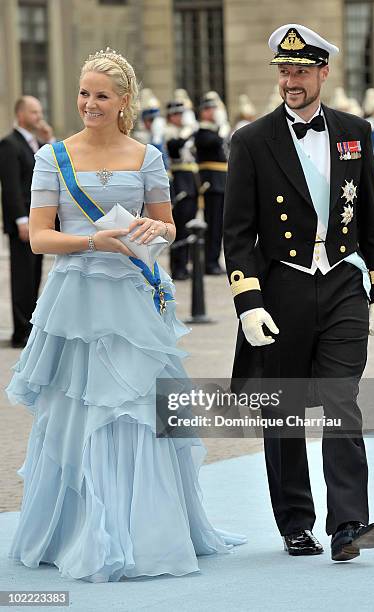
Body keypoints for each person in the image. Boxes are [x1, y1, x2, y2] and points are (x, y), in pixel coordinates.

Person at [6, 47, 245, 583]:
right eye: (84, 93)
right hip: (76, 301)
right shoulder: (53, 156)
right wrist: (96, 239)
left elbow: (168, 226)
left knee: (137, 406)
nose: (89, 103)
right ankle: (78, 529)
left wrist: (148, 232)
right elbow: (40, 235)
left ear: (123, 102)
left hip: (134, 300)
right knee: (78, 409)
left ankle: (146, 530)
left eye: (101, 95)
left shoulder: (148, 157)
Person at [223, 24, 374, 562]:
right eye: (283, 70)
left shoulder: (354, 131)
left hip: (343, 280)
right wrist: (248, 302)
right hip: (283, 287)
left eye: (300, 70)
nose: (290, 80)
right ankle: (296, 522)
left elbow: (370, 211)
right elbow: (237, 233)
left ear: (323, 72)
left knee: (342, 400)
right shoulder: (251, 140)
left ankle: (349, 524)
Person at [0, 96, 44, 348]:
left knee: (35, 275)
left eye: (39, 111)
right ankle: (20, 332)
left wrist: (47, 139)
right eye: (34, 112)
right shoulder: (9, 144)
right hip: (23, 224)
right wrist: (20, 219)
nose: (39, 116)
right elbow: (11, 188)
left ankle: (30, 326)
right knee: (22, 277)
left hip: (37, 222)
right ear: (21, 114)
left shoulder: (35, 143)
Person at [194, 94, 228, 275]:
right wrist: (221, 128)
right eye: (211, 109)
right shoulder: (202, 131)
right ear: (204, 112)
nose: (214, 113)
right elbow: (210, 143)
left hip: (220, 183)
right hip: (211, 183)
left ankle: (214, 260)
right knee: (212, 225)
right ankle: (209, 262)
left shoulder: (212, 131)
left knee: (218, 225)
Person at [165, 100, 198, 280]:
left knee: (190, 226)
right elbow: (174, 147)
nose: (179, 118)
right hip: (179, 181)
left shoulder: (184, 132)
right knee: (180, 225)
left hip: (190, 180)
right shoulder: (168, 131)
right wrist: (186, 134)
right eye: (176, 114)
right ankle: (177, 266)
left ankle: (185, 264)